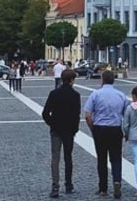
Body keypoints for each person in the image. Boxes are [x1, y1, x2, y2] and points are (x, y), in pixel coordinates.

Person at [83, 70, 128, 198]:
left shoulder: (95, 94)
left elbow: (87, 115)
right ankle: (117, 181)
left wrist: (93, 128)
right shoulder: (121, 95)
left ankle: (103, 188)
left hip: (100, 129)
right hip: (115, 129)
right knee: (116, 158)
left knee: (101, 159)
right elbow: (126, 115)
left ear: (102, 80)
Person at [43, 68, 81, 198]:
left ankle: (55, 186)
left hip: (56, 130)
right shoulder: (75, 95)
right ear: (71, 80)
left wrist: (52, 123)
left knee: (55, 158)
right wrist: (75, 129)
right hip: (69, 130)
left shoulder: (54, 93)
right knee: (68, 158)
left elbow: (45, 113)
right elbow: (77, 115)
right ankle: (68, 185)